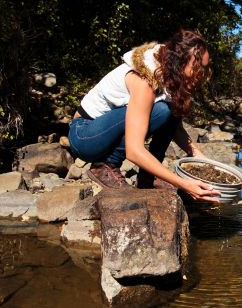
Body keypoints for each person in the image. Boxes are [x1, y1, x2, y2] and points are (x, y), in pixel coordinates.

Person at [68, 29, 220, 202]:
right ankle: (106, 166)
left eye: (204, 68)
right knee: (161, 111)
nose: (201, 75)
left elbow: (173, 124)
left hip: (103, 133)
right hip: (85, 136)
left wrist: (198, 155)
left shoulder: (168, 71)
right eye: (197, 68)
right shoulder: (144, 80)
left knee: (170, 110)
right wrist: (184, 184)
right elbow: (134, 150)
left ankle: (147, 178)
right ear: (179, 62)